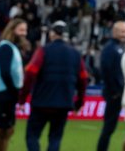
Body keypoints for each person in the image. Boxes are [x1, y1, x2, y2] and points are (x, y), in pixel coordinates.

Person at [20, 20, 88, 151]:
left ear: (52, 34)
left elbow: (30, 73)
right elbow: (83, 80)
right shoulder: (75, 54)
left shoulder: (43, 51)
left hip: (41, 102)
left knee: (32, 136)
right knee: (55, 139)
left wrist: (22, 98)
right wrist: (79, 103)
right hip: (63, 103)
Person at [0, 18, 27, 151]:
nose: (24, 33)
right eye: (21, 30)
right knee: (0, 130)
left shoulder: (10, 47)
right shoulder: (5, 47)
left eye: (25, 30)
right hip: (4, 94)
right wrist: (14, 91)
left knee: (7, 130)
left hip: (6, 93)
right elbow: (5, 71)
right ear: (13, 30)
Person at [95, 21, 125, 151]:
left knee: (111, 128)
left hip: (121, 92)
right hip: (115, 94)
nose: (124, 34)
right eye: (122, 31)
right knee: (108, 128)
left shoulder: (120, 48)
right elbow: (106, 71)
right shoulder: (110, 48)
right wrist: (114, 91)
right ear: (114, 32)